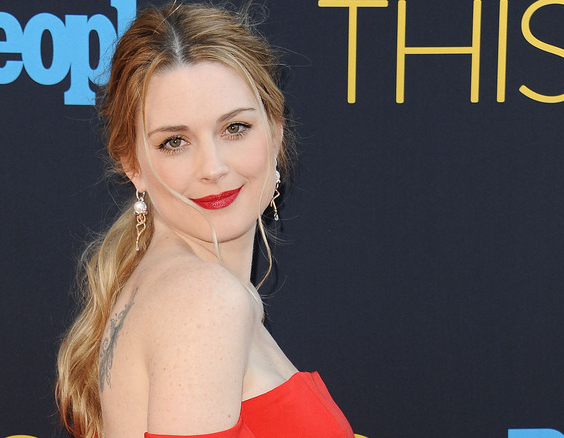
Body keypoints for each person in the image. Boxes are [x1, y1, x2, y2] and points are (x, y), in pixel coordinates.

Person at [56, 3, 356, 438]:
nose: (212, 167)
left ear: (274, 132)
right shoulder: (206, 300)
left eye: (235, 128)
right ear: (133, 165)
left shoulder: (175, 286)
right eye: (175, 141)